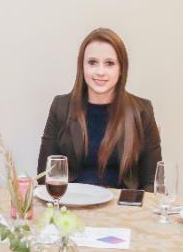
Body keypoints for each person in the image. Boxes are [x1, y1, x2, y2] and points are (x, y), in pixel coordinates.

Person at [36, 28, 162, 189]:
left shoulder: (142, 111)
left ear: (121, 69)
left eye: (109, 63)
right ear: (82, 67)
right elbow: (45, 176)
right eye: (92, 62)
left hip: (122, 204)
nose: (100, 72)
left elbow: (152, 184)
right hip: (72, 202)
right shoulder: (60, 106)